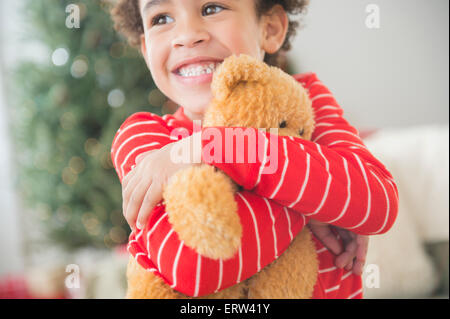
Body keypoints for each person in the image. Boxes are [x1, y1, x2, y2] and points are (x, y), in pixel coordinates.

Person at [109, 0, 399, 298]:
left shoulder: (305, 103)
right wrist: (309, 204)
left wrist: (214, 147)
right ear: (146, 50)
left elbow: (378, 205)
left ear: (270, 28)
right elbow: (196, 267)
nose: (187, 35)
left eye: (211, 8)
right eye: (161, 18)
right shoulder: (144, 138)